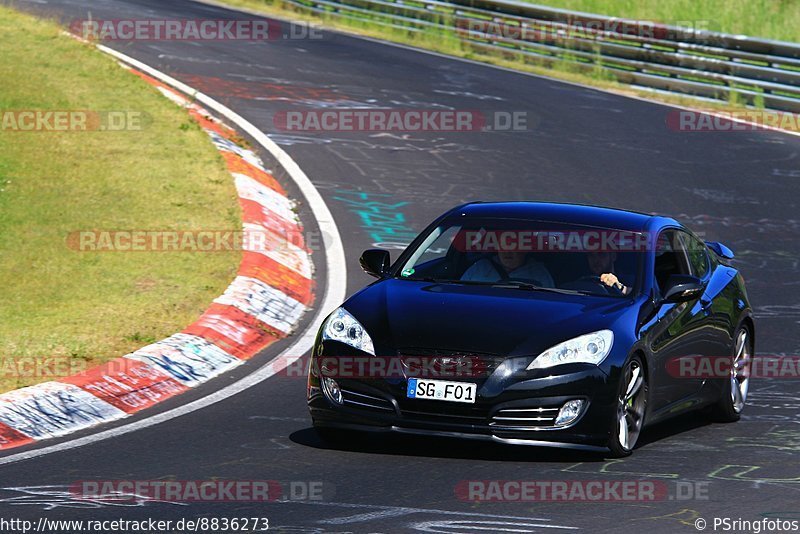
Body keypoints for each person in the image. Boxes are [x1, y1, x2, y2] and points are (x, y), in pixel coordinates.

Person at [461, 251, 554, 287]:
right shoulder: (479, 267)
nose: (508, 252)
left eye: (514, 247)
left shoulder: (539, 273)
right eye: (504, 245)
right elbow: (459, 294)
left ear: (524, 251)